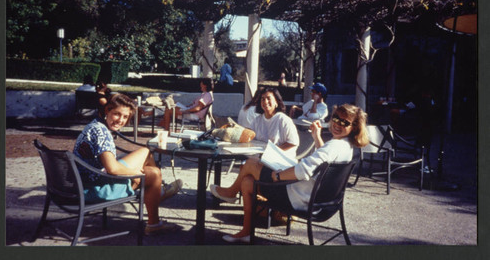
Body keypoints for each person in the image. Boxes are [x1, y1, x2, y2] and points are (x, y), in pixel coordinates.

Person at [209, 103, 369, 243]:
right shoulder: (346, 146)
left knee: (251, 164)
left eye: (344, 122)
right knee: (247, 182)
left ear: (354, 127)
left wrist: (277, 175)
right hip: (318, 201)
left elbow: (304, 170)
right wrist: (316, 137)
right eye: (335, 118)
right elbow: (324, 163)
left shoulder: (334, 145)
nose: (337, 124)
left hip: (297, 198)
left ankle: (230, 193)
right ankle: (246, 232)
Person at [73, 93, 183, 235]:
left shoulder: (95, 125)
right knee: (154, 174)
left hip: (86, 181)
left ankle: (155, 192)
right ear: (107, 111)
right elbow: (112, 168)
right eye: (117, 114)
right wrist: (136, 175)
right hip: (94, 188)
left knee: (146, 152)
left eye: (125, 117)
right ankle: (154, 216)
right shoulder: (101, 133)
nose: (121, 120)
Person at [251, 87, 299, 160]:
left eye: (268, 98)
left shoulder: (284, 120)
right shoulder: (257, 120)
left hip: (281, 160)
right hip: (262, 159)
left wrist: (271, 153)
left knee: (249, 166)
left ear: (276, 102)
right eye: (263, 99)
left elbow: (293, 143)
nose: (265, 102)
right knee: (247, 164)